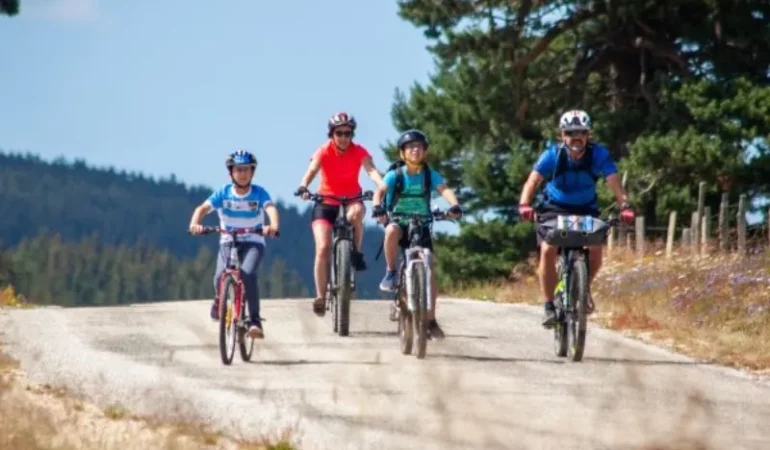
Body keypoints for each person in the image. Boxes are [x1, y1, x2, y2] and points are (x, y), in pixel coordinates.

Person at [517, 110, 635, 328]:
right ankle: (549, 305)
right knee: (547, 249)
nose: (576, 137)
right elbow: (532, 181)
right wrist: (524, 204)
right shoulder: (553, 155)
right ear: (563, 135)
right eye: (570, 133)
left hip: (586, 209)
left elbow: (613, 181)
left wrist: (625, 205)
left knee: (596, 246)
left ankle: (582, 289)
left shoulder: (598, 154)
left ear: (588, 135)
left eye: (581, 132)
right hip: (555, 208)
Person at [371, 129, 463, 340]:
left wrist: (454, 205)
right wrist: (377, 206)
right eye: (410, 147)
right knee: (392, 230)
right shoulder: (396, 174)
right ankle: (392, 271)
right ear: (403, 153)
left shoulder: (430, 175)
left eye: (419, 147)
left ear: (425, 151)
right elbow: (380, 191)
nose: (415, 150)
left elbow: (444, 190)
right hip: (399, 221)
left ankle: (430, 320)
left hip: (422, 223)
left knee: (429, 267)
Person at [296, 112, 386, 316]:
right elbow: (312, 170)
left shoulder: (359, 151)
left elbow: (370, 169)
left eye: (348, 133)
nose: (344, 137)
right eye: (340, 133)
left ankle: (354, 251)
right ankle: (320, 296)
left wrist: (380, 184)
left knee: (356, 215)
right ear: (332, 134)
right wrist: (303, 186)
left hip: (351, 199)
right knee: (323, 248)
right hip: (325, 202)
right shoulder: (323, 151)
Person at [189, 149, 279, 339]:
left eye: (247, 169)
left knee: (247, 273)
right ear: (231, 172)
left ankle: (254, 321)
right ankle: (218, 300)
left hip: (253, 241)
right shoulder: (223, 193)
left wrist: (273, 225)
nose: (243, 174)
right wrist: (195, 223)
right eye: (238, 170)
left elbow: (270, 208)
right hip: (228, 241)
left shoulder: (259, 193)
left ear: (252, 172)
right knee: (220, 276)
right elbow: (203, 208)